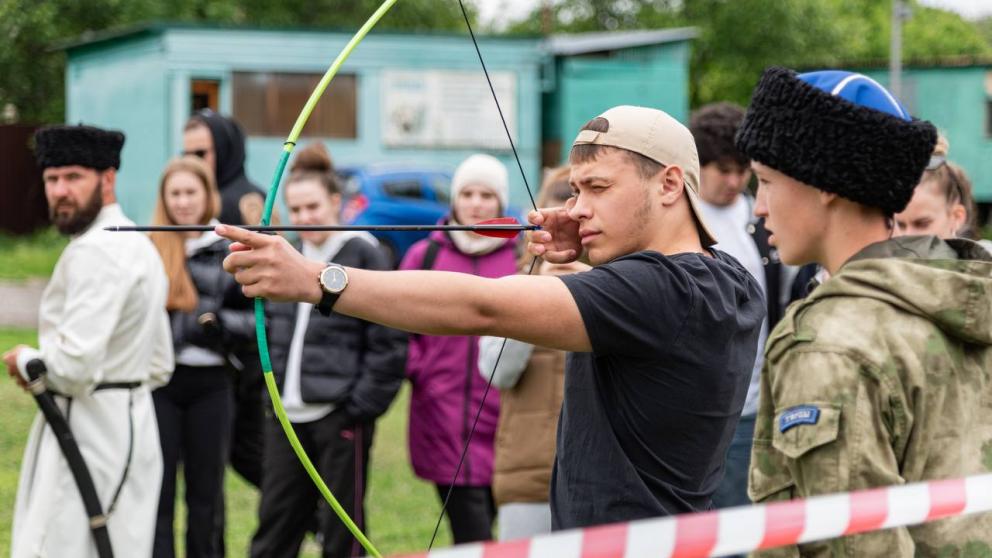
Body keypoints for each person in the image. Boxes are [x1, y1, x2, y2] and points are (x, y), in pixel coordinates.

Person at [216, 105, 766, 531]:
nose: (576, 208)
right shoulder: (726, 280)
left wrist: (317, 280)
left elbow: (483, 304)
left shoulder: (659, 291)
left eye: (598, 188)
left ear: (669, 184)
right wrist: (591, 245)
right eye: (574, 191)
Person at [736, 67, 992, 555]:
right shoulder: (960, 291)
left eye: (766, 181)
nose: (758, 207)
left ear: (824, 182)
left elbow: (856, 545)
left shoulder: (831, 342)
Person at [2, 124, 174, 557]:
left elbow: (72, 368)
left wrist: (25, 359)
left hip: (89, 432)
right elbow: (160, 362)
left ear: (107, 178)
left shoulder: (96, 251)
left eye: (73, 177)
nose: (60, 191)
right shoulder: (137, 243)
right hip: (132, 426)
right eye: (51, 179)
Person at [248, 143, 406, 558]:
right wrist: (273, 394)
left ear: (336, 202)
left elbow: (388, 340)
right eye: (296, 210)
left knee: (342, 527)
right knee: (277, 518)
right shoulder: (288, 255)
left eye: (313, 207)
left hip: (339, 414)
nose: (304, 218)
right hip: (287, 413)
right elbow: (274, 326)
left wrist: (360, 406)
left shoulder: (363, 252)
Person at [395, 153, 518, 543]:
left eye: (487, 195)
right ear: (454, 200)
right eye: (467, 193)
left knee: (493, 522)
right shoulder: (425, 256)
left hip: (503, 415)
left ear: (500, 203)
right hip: (442, 414)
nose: (477, 203)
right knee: (472, 531)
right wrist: (421, 369)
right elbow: (395, 322)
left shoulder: (520, 258)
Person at [148, 156, 256, 558]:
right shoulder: (151, 249)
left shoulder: (230, 250)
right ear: (164, 199)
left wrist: (218, 324)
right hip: (160, 384)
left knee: (206, 494)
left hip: (212, 384)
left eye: (190, 192)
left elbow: (256, 322)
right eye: (174, 193)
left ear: (207, 195)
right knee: (157, 491)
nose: (183, 202)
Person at [477, 165, 589, 541]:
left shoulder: (616, 283)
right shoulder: (516, 283)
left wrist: (590, 290)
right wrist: (535, 299)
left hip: (596, 480)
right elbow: (496, 372)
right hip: (528, 474)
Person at [689, 102, 776, 510]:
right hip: (690, 407)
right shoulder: (677, 219)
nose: (735, 180)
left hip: (752, 408)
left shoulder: (764, 222)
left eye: (744, 171)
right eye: (724, 169)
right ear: (697, 165)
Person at [183, 111, 266, 505]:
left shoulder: (245, 201)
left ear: (226, 150)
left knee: (249, 451)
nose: (194, 163)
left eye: (202, 152)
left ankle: (310, 517)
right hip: (215, 352)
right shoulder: (198, 202)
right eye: (187, 153)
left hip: (248, 353)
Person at [895, 134, 992, 252]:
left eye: (922, 224)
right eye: (900, 225)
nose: (907, 237)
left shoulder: (985, 265)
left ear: (957, 217)